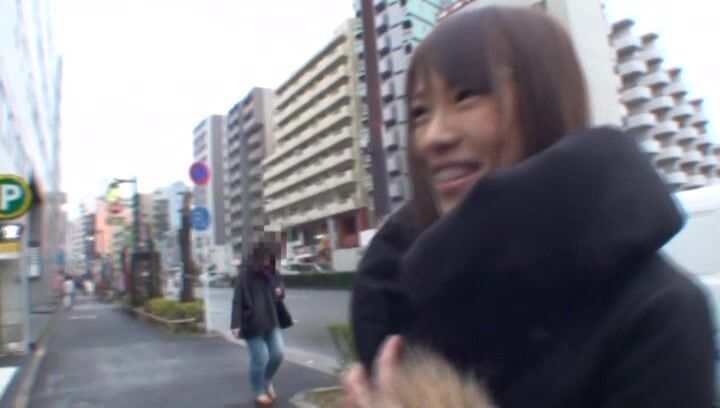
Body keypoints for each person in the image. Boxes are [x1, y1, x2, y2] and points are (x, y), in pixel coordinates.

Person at [346, 5, 715, 407]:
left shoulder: (657, 313)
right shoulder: (401, 298)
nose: (433, 136)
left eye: (466, 96)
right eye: (420, 112)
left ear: (545, 98)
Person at [231, 245, 292, 406]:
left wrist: (280, 291)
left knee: (278, 353)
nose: (268, 260)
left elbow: (281, 289)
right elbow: (237, 300)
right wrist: (236, 324)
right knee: (260, 358)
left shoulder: (271, 272)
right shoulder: (245, 274)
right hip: (251, 323)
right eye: (265, 257)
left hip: (271, 319)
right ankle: (259, 390)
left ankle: (266, 379)